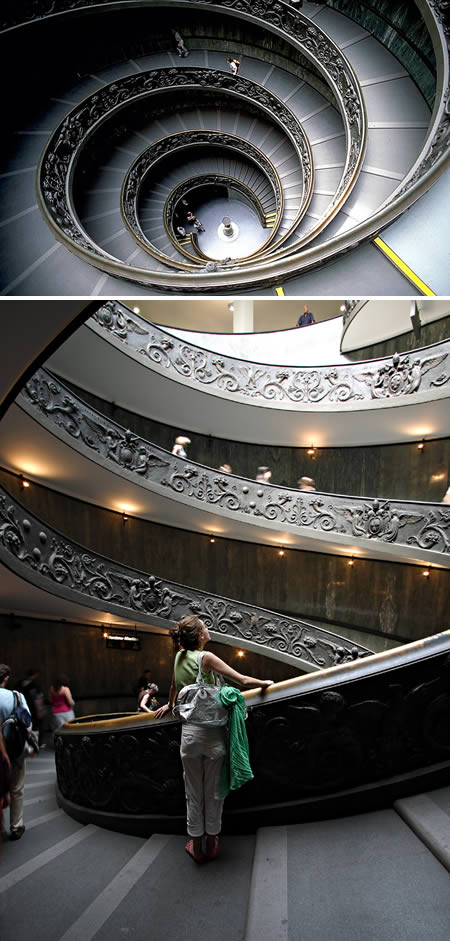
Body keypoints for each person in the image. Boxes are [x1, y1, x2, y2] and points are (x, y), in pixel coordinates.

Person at [154, 616, 273, 863]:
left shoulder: (178, 656)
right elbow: (241, 680)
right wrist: (265, 683)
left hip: (189, 737)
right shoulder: (205, 658)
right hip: (213, 737)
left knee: (192, 792)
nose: (208, 629)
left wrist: (169, 704)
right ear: (199, 635)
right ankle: (212, 842)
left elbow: (174, 686)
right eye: (205, 627)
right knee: (214, 793)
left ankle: (196, 847)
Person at [0, 663, 30, 840]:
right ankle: (16, 825)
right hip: (13, 748)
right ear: (6, 678)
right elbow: (27, 721)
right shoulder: (16, 696)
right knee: (17, 786)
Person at [19, 668, 47, 747]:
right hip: (33, 709)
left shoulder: (19, 684)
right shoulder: (34, 685)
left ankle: (27, 743)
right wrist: (40, 709)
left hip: (22, 709)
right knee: (37, 726)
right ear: (35, 675)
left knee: (25, 726)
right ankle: (38, 743)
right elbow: (37, 698)